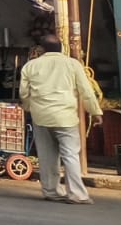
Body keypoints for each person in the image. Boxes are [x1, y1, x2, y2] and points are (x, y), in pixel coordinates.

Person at [19, 34, 101, 204]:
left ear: (40, 50)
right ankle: (77, 194)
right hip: (66, 117)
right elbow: (85, 90)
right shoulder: (73, 64)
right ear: (62, 48)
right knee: (70, 155)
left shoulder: (30, 66)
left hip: (41, 116)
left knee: (47, 156)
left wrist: (28, 108)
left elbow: (23, 93)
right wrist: (95, 112)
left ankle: (51, 191)